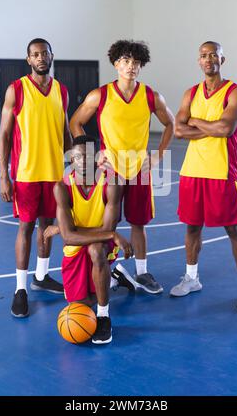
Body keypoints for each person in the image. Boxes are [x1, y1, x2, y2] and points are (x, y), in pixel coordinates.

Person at [69, 40, 174, 294]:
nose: (131, 67)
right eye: (126, 61)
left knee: (139, 223)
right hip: (110, 171)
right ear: (116, 64)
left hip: (140, 169)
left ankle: (141, 272)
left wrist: (159, 155)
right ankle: (108, 268)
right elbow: (75, 123)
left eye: (136, 62)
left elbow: (171, 124)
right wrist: (94, 154)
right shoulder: (100, 95)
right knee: (109, 223)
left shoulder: (150, 95)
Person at [170, 41, 237, 310]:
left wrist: (194, 121)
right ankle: (192, 278)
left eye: (213, 55)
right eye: (204, 56)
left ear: (222, 59)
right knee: (192, 227)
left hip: (222, 172)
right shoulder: (190, 93)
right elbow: (179, 131)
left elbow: (226, 128)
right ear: (199, 61)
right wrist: (209, 126)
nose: (208, 60)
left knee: (233, 229)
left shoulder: (234, 91)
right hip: (192, 171)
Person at [0, 38, 72, 318]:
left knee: (48, 225)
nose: (41, 58)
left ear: (52, 56)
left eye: (45, 53)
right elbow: (4, 135)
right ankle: (20, 289)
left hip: (55, 174)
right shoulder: (16, 89)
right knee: (26, 228)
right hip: (27, 173)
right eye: (35, 54)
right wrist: (4, 176)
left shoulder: (61, 91)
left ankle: (41, 276)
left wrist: (82, 164)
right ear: (28, 59)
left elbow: (65, 133)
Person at [44, 135, 134, 344]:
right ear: (71, 160)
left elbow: (106, 227)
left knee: (95, 250)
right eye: (76, 157)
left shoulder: (111, 183)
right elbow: (68, 236)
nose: (82, 162)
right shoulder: (62, 187)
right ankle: (113, 279)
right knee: (81, 304)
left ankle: (103, 316)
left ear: (97, 157)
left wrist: (73, 230)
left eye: (87, 156)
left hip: (102, 245)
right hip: (79, 243)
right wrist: (111, 234)